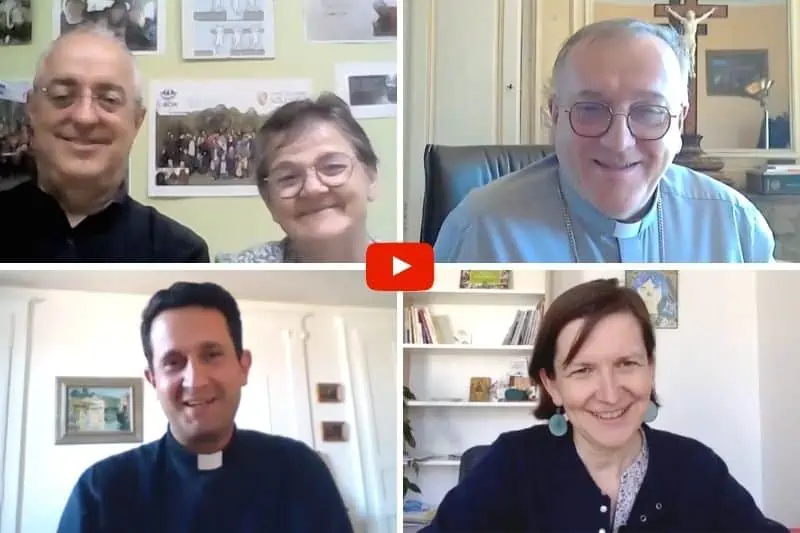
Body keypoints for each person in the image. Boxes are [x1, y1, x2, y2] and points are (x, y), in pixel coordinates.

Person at [420, 278, 788, 532]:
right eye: (583, 370)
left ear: (650, 369)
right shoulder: (512, 464)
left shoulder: (697, 468)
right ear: (553, 384)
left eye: (627, 364)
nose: (610, 394)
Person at [433, 19, 775, 263]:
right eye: (591, 109)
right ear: (555, 114)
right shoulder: (480, 231)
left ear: (679, 120)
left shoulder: (734, 224)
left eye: (649, 111)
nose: (619, 143)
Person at [57, 281, 353, 533]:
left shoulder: (299, 469)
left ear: (243, 367)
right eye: (173, 363)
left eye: (211, 355)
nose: (195, 381)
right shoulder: (100, 491)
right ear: (153, 379)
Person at [0, 25, 209, 262]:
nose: (84, 117)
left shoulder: (180, 254)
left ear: (136, 121)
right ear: (33, 110)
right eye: (62, 96)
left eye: (109, 99)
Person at [216, 92, 378, 262]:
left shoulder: (406, 274)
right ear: (268, 201)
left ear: (371, 178)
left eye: (333, 167)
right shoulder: (235, 274)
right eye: (288, 177)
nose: (313, 188)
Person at [665, 7, 716, 78]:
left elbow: (704, 17)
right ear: (687, 15)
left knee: (692, 56)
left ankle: (692, 70)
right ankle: (686, 69)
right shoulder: (685, 21)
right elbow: (677, 16)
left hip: (692, 41)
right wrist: (670, 11)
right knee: (686, 56)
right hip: (686, 40)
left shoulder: (695, 21)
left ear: (693, 15)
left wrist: (710, 12)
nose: (690, 15)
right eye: (689, 14)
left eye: (691, 14)